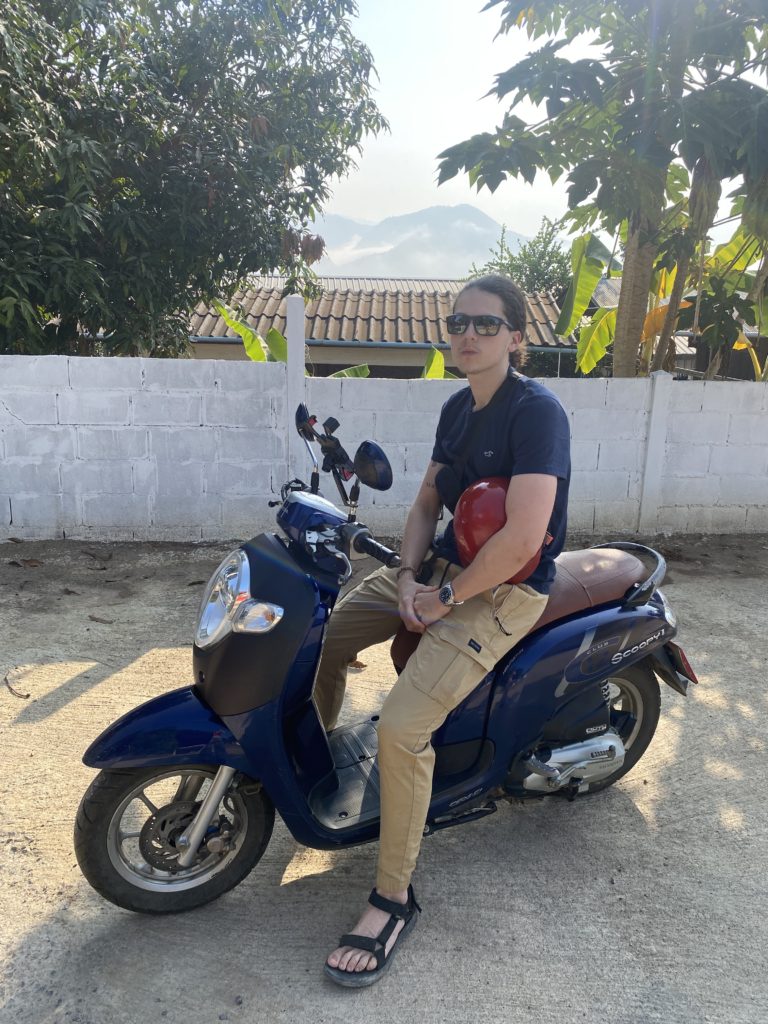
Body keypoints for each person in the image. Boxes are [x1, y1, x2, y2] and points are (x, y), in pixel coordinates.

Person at [316, 274, 571, 987]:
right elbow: (429, 499)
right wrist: (404, 577)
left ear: (516, 338)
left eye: (486, 325)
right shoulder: (458, 405)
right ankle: (315, 757)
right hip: (438, 571)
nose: (468, 334)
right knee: (323, 636)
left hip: (503, 590)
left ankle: (393, 898)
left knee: (400, 728)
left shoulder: (536, 414)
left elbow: (523, 540)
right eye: (460, 321)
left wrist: (444, 596)